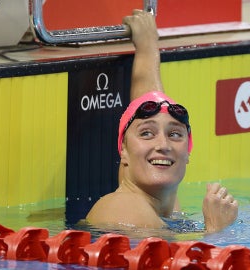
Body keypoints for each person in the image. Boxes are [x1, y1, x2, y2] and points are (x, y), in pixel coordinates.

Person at [86, 9, 238, 233]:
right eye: (146, 134)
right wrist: (215, 231)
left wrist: (147, 46)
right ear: (124, 151)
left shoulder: (160, 201)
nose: (163, 145)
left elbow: (146, 103)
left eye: (174, 134)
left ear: (188, 151)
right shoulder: (125, 208)